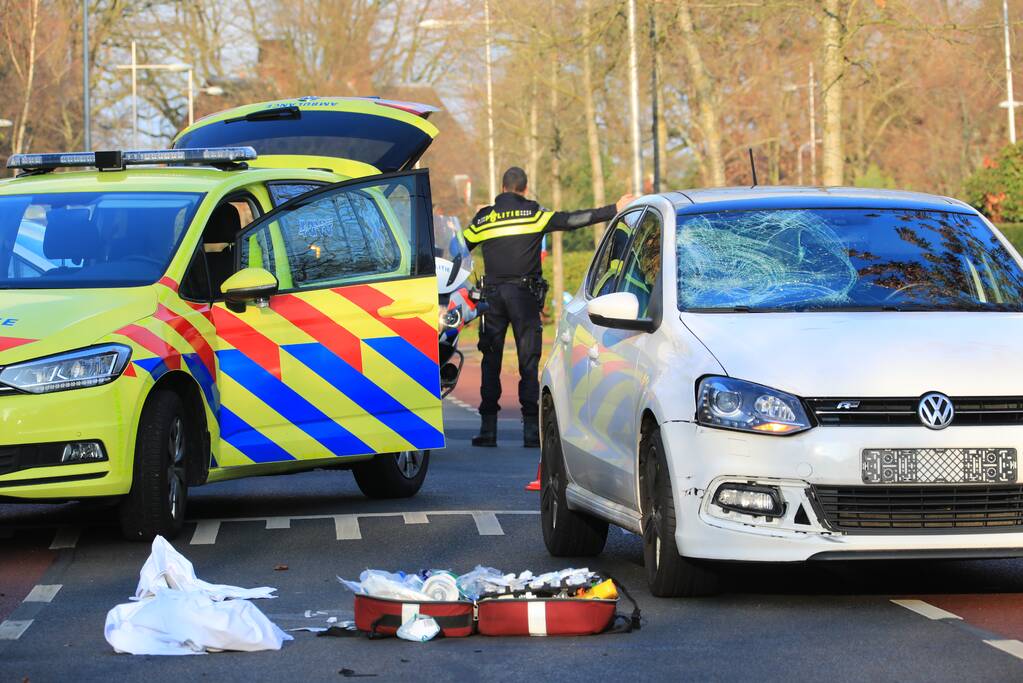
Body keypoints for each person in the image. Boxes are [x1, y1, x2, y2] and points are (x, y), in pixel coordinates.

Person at [463, 166, 636, 448]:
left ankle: (488, 430)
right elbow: (573, 220)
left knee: (490, 361)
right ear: (524, 189)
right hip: (524, 297)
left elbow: (458, 247)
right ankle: (532, 431)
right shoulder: (534, 214)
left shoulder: (484, 219)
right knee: (528, 362)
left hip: (492, 298)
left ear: (503, 188)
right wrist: (613, 209)